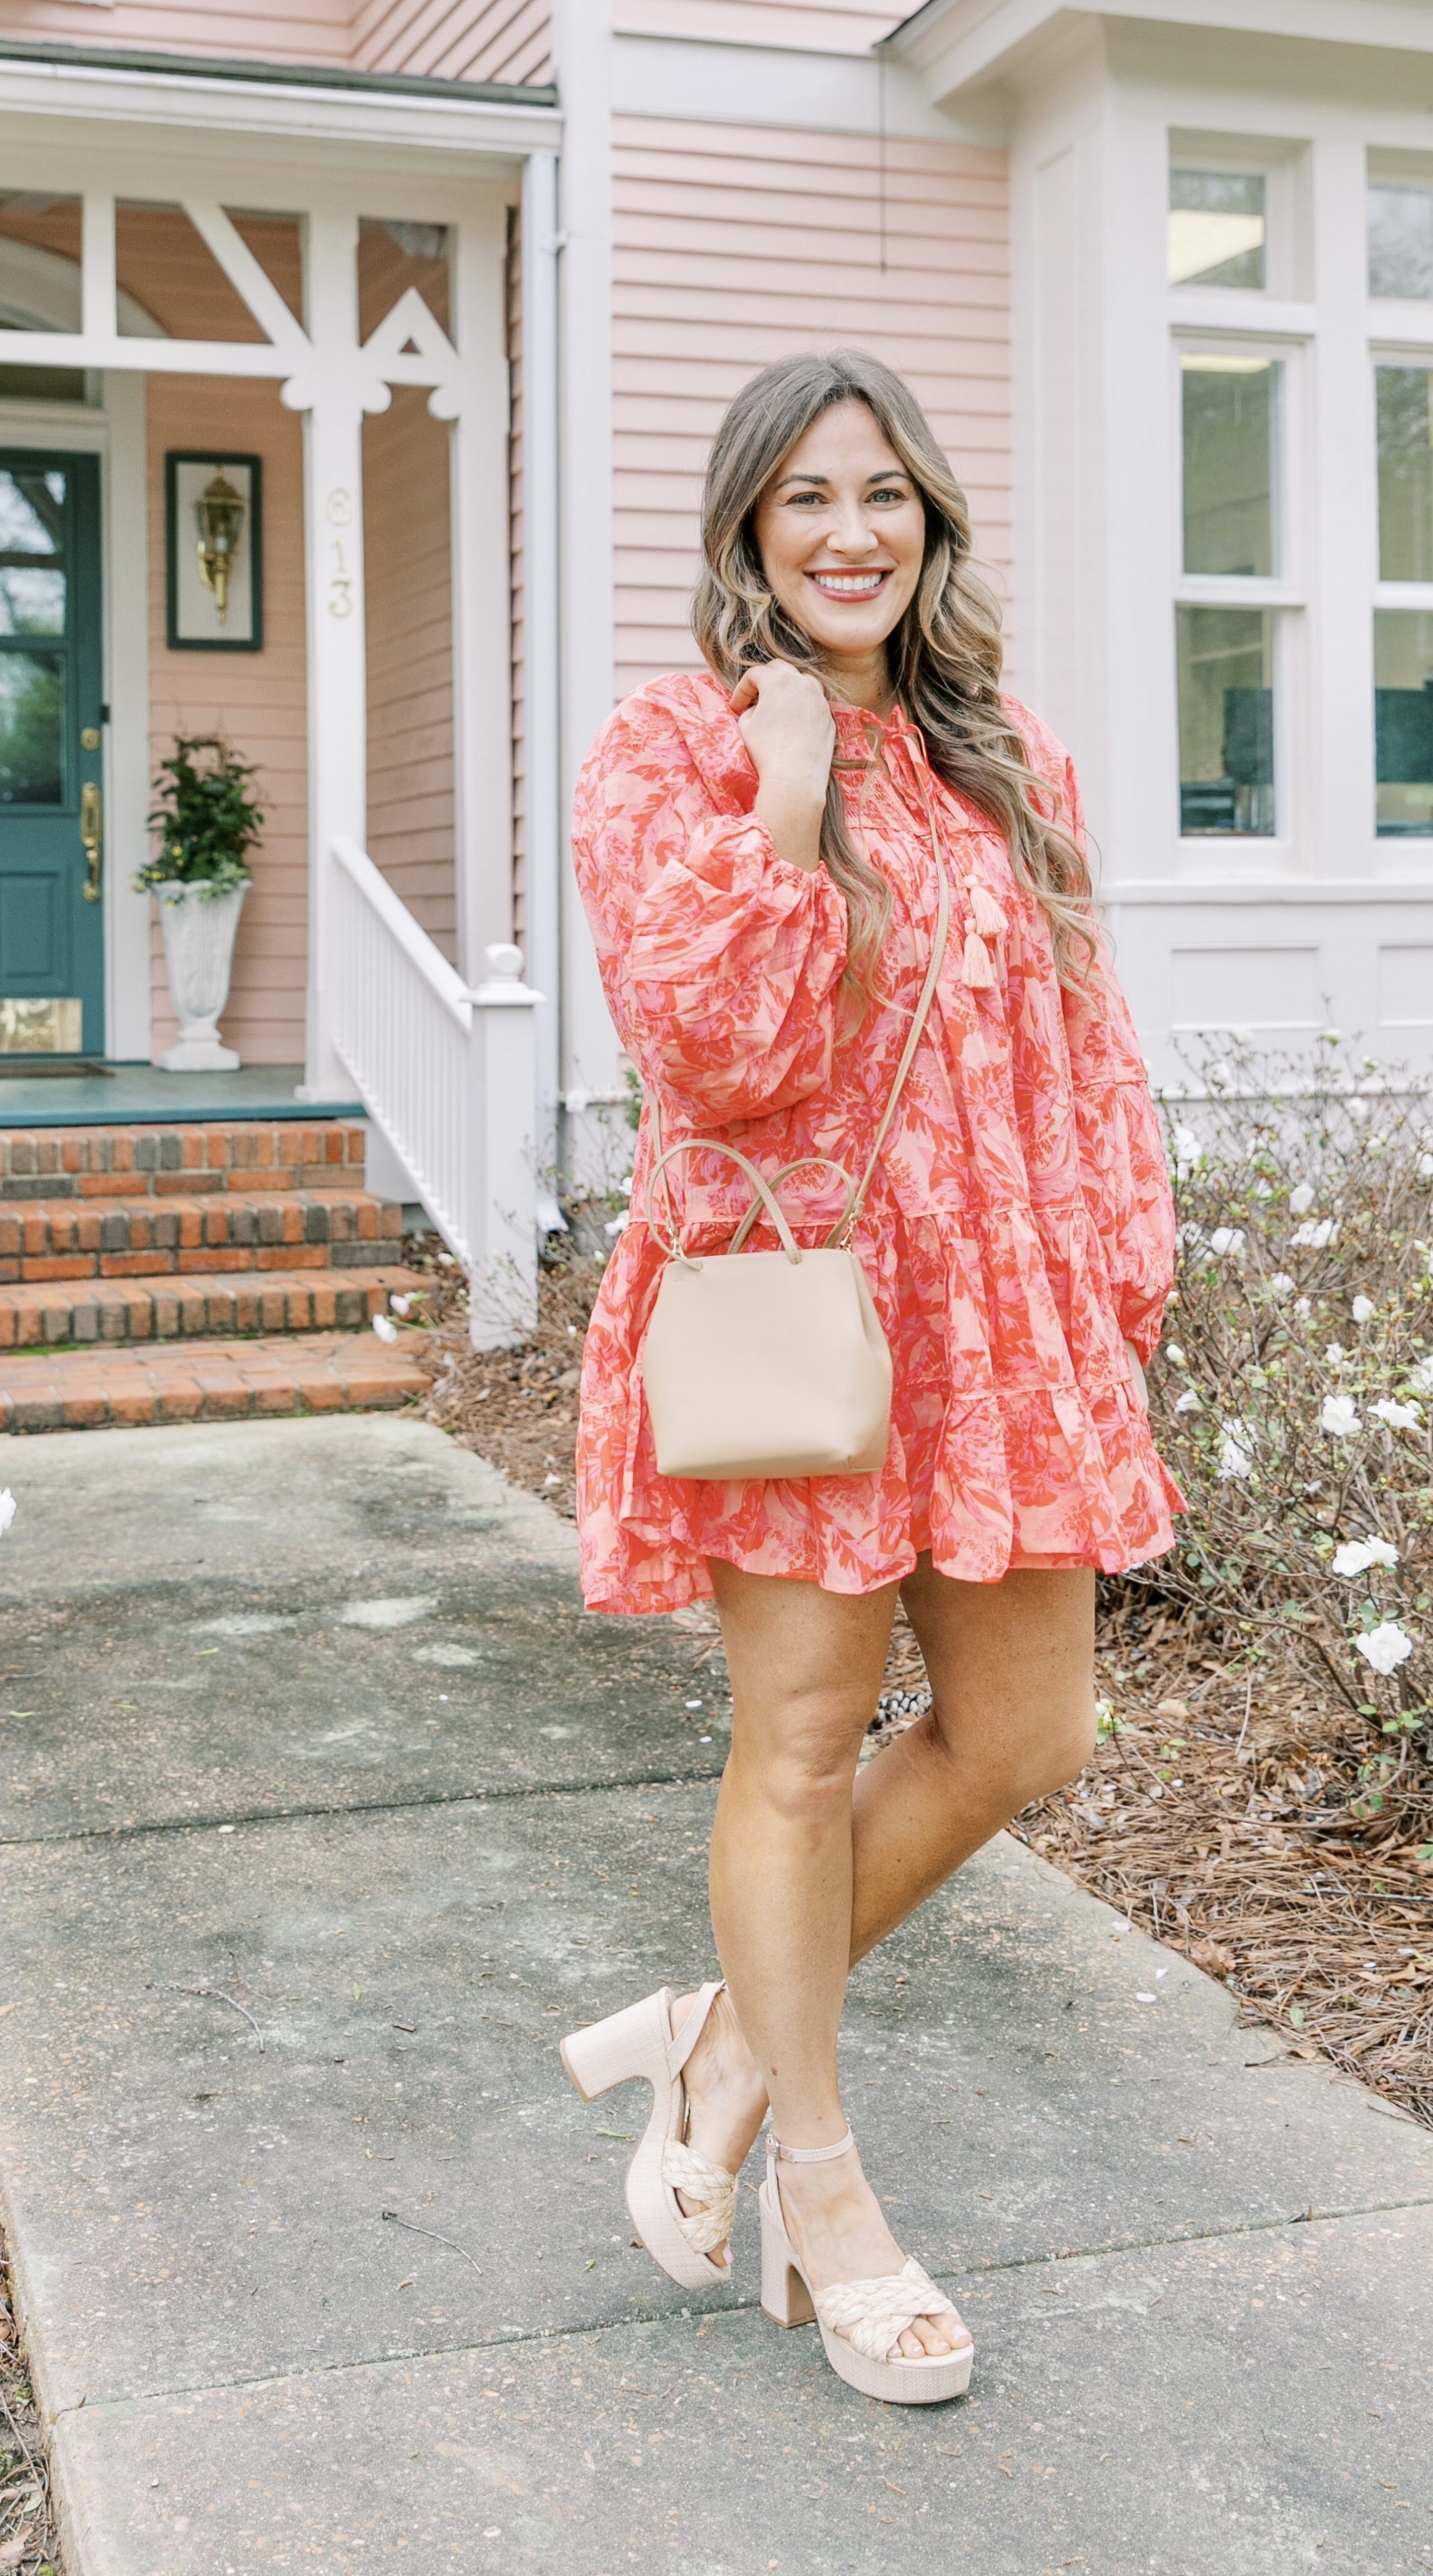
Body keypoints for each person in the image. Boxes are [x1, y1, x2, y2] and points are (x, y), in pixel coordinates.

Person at [560, 349, 1180, 2404]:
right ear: (747, 526)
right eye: (808, 498)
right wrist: (796, 781)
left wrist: (1113, 1276)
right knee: (806, 1737)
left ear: (931, 523)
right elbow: (713, 1047)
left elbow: (1083, 1039)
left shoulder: (1010, 754)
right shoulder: (670, 749)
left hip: (996, 1318)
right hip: (795, 1304)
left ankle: (725, 2041)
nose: (852, 533)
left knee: (1025, 1731)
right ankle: (819, 2191)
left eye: (886, 494)